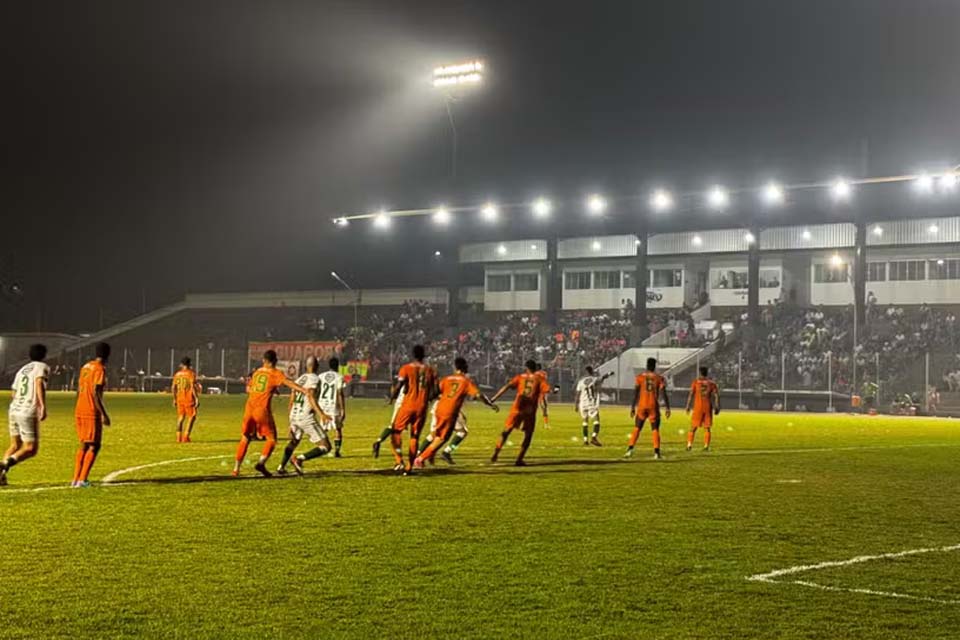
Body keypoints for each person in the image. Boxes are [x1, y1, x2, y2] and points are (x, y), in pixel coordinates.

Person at [232, 349, 323, 477]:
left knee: (245, 437)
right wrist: (303, 390)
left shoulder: (257, 372)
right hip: (262, 410)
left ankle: (236, 469)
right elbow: (288, 383)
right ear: (275, 361)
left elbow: (251, 388)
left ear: (264, 360)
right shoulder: (275, 373)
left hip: (249, 408)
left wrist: (271, 389)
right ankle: (261, 463)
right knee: (272, 439)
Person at [413, 357, 497, 469]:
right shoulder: (466, 381)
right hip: (450, 411)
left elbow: (434, 392)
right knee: (443, 438)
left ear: (455, 367)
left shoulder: (446, 379)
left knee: (437, 435)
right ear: (465, 368)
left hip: (439, 408)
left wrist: (424, 402)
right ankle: (421, 458)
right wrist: (489, 404)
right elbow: (478, 395)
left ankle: (425, 455)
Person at [1, 344, 49, 486]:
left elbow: (14, 392)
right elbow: (39, 382)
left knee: (15, 445)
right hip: (27, 410)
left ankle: (1, 477)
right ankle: (4, 465)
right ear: (44, 355)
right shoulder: (42, 367)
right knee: (30, 448)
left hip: (14, 409)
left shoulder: (22, 370)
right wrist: (42, 406)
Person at [490, 359, 551, 466]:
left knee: (507, 431)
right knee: (528, 435)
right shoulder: (540, 378)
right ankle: (519, 459)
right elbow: (547, 391)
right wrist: (557, 388)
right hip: (530, 410)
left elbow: (507, 386)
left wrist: (494, 399)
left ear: (526, 368)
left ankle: (495, 453)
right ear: (535, 368)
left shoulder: (520, 377)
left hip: (517, 407)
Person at [387, 345, 438, 473]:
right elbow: (436, 390)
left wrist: (391, 397)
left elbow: (399, 386)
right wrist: (428, 398)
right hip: (422, 408)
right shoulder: (430, 370)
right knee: (414, 436)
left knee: (395, 432)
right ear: (424, 355)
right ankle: (409, 467)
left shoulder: (406, 368)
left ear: (413, 355)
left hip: (408, 405)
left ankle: (399, 460)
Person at [277, 356, 332, 475]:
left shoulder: (300, 379)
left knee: (294, 441)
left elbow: (291, 400)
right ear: (317, 366)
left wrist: (290, 421)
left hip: (294, 414)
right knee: (325, 446)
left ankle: (281, 466)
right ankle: (299, 459)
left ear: (306, 366)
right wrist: (321, 414)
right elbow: (310, 395)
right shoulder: (314, 379)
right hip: (305, 417)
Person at [72, 342, 112, 488]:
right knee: (95, 445)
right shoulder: (100, 369)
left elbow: (78, 388)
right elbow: (96, 392)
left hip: (80, 407)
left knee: (83, 444)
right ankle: (82, 480)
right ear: (108, 355)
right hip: (90, 410)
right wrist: (104, 414)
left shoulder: (85, 367)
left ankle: (75, 479)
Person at [625, 357, 670, 460]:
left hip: (642, 405)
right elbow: (664, 393)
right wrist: (667, 407)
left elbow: (635, 393)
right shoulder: (659, 378)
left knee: (637, 428)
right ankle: (656, 453)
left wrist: (632, 407)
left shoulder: (640, 377)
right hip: (653, 405)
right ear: (654, 366)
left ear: (646, 365)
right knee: (655, 429)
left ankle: (629, 450)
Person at [574, 366, 614, 446]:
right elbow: (603, 377)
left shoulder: (581, 382)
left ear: (585, 372)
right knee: (596, 419)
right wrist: (609, 373)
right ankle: (594, 438)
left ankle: (585, 441)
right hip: (591, 402)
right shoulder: (594, 379)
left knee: (585, 420)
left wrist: (576, 404)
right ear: (591, 371)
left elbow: (577, 394)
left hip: (582, 403)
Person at [685, 366, 720, 452]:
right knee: (707, 428)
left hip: (698, 407)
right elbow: (716, 395)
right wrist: (717, 405)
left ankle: (689, 445)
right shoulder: (711, 383)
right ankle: (706, 446)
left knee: (693, 427)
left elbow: (691, 394)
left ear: (700, 373)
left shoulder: (696, 382)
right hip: (707, 407)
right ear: (707, 373)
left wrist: (688, 406)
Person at [317, 357, 346, 457]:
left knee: (323, 429)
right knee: (337, 429)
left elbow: (317, 390)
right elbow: (340, 393)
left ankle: (323, 447)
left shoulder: (321, 376)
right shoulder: (339, 377)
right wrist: (342, 409)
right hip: (333, 406)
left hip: (322, 405)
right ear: (337, 366)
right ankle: (337, 451)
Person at [372, 373, 404, 459]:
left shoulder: (407, 376)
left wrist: (392, 398)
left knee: (395, 427)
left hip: (403, 404)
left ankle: (378, 442)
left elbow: (397, 386)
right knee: (395, 427)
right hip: (405, 404)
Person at [171, 356, 201, 443]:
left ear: (182, 364)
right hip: (188, 398)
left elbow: (173, 387)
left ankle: (178, 437)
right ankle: (185, 436)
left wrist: (174, 398)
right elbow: (192, 387)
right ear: (189, 364)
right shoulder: (191, 374)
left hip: (180, 398)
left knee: (180, 417)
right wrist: (196, 398)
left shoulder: (177, 374)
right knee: (192, 416)